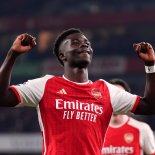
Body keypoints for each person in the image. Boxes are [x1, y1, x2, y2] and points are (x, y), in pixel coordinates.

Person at [0, 28, 155, 155]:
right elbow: (3, 97)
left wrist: (150, 65)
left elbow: (150, 106)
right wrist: (12, 54)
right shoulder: (45, 85)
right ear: (62, 55)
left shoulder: (106, 90)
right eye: (76, 42)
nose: (85, 45)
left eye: (87, 43)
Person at [102, 78, 155, 155]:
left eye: (120, 96)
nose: (115, 100)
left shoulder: (142, 129)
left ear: (127, 99)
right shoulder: (95, 130)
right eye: (111, 95)